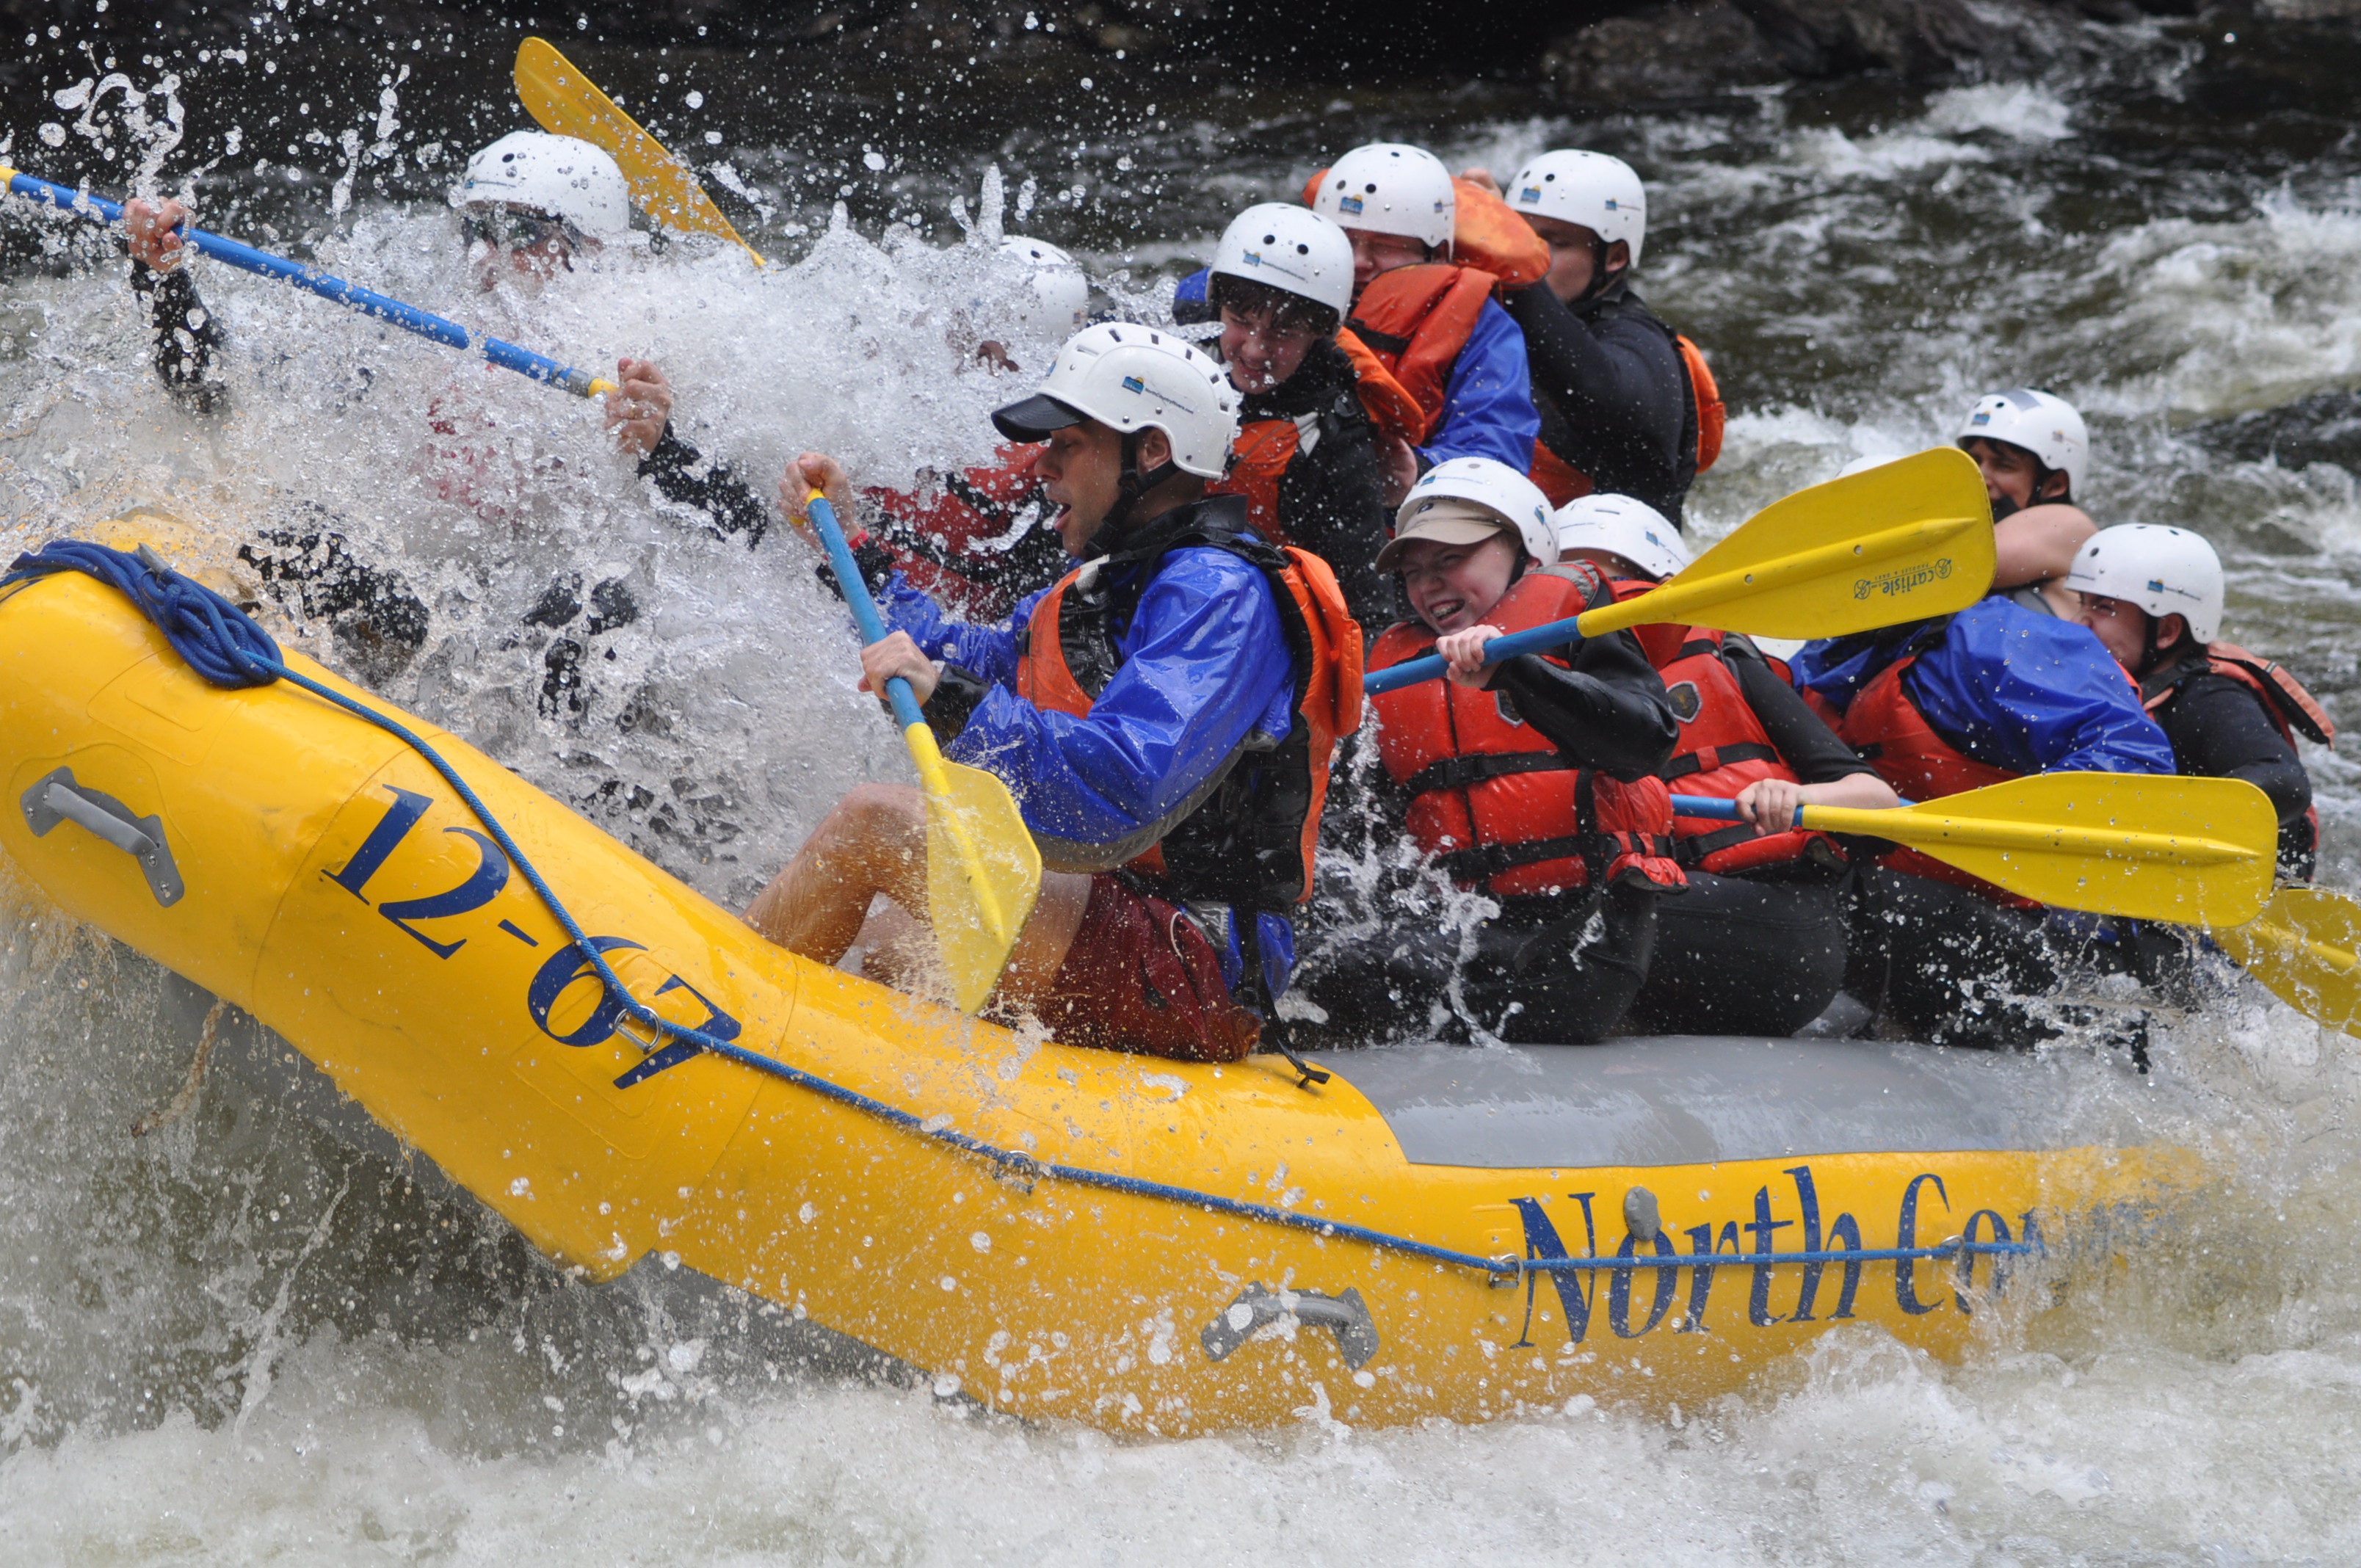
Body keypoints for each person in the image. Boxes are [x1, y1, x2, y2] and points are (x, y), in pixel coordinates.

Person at [750, 324, 1359, 1062]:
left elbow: (1126, 784)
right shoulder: (1098, 589)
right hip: (1106, 912)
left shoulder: (1220, 595)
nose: (1041, 465)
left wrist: (951, 699)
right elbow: (951, 654)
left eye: (1068, 444)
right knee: (891, 947)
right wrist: (852, 544)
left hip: (1195, 957)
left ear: (1152, 451)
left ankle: (695, 1021)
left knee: (874, 824)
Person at [121, 130, 771, 708]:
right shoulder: (418, 344)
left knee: (589, 608)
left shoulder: (662, 349)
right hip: (448, 612)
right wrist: (164, 281)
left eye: (520, 231)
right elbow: (216, 397)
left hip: (567, 628)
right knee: (301, 540)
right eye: (476, 228)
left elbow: (752, 536)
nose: (485, 255)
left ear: (592, 244)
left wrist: (663, 449)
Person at [1295, 459, 1681, 1046]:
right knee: (1297, 936)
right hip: (1475, 930)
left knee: (1332, 976)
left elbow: (1645, 745)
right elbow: (1358, 829)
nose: (1428, 584)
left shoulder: (1577, 619)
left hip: (1582, 942)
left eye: (1452, 559)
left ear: (1527, 554)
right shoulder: (1400, 665)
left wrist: (1521, 673)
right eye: (1416, 570)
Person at [1554, 495, 1901, 1036]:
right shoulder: (1529, 681)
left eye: (1611, 581)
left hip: (1777, 922)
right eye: (1568, 582)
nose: (1593, 601)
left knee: (1563, 912)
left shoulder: (1720, 656)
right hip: (1659, 912)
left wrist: (1796, 799)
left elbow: (1877, 800)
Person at [1790, 580, 2179, 1050]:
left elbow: (2137, 766)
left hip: (2042, 935)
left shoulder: (1998, 641)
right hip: (1901, 901)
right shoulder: (1825, 656)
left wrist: (2021, 817)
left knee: (1853, 896)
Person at [1468, 150, 1723, 524]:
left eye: (1555, 243)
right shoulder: (1498, 323)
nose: (1534, 254)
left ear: (1615, 256)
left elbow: (1598, 394)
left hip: (1616, 569)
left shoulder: (1642, 342)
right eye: (1524, 237)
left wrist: (1512, 259)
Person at [2068, 523, 2331, 882]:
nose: (2078, 622)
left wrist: (2165, 812)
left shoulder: (2210, 698)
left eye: (2103, 608)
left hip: (2241, 899)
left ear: (2166, 631)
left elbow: (2287, 782)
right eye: (2081, 603)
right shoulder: (2112, 686)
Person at [849, 238, 1094, 623]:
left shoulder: (1051, 473)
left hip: (917, 632)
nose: (947, 347)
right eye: (951, 326)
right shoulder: (878, 396)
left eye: (977, 348)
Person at [1198, 203, 1396, 626]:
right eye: (1240, 321)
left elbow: (1365, 604)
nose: (1254, 350)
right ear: (1218, 308)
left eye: (1282, 334)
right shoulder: (1172, 358)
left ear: (1318, 335)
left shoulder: (1334, 436)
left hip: (1260, 616)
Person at [1307, 143, 1542, 489]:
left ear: (1439, 253)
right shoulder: (1276, 276)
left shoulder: (1483, 327)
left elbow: (1496, 451)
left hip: (1400, 514)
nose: (1358, 261)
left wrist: (1416, 469)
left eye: (1384, 246)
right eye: (1344, 240)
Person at [1957, 387, 2098, 612]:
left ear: (2055, 484)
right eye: (1973, 461)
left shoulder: (2069, 524)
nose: (1979, 476)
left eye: (2003, 466)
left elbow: (1964, 566)